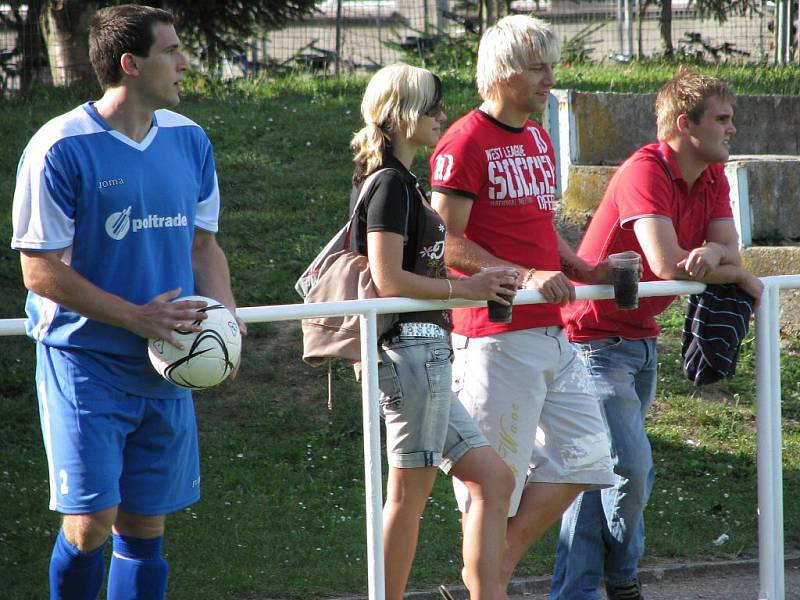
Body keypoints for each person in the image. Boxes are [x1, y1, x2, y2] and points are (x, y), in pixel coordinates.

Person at [10, 5, 244, 599]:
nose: (183, 63)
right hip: (85, 363)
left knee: (145, 527)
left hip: (168, 364)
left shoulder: (190, 141)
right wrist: (137, 317)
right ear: (130, 63)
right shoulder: (59, 147)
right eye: (171, 51)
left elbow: (204, 246)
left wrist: (226, 319)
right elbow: (39, 271)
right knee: (91, 526)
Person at [551, 71, 764, 600]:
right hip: (591, 340)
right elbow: (668, 266)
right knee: (627, 468)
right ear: (682, 126)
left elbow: (727, 250)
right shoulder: (646, 169)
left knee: (596, 474)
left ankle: (573, 592)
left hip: (641, 339)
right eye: (721, 119)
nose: (732, 129)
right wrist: (734, 272)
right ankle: (621, 582)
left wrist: (718, 256)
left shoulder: (712, 174)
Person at [429, 15, 616, 595]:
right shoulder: (463, 140)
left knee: (590, 458)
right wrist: (527, 273)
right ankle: (488, 580)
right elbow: (447, 243)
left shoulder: (536, 135)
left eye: (550, 66)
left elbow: (534, 221)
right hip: (493, 335)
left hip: (549, 330)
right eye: (538, 67)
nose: (549, 79)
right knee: (495, 486)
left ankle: (493, 566)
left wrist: (573, 263)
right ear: (505, 72)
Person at [349, 63, 517, 600]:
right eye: (430, 106)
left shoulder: (403, 182)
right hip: (410, 355)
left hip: (426, 354)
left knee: (493, 479)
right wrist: (468, 289)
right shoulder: (390, 185)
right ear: (399, 116)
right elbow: (388, 277)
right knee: (406, 495)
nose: (441, 115)